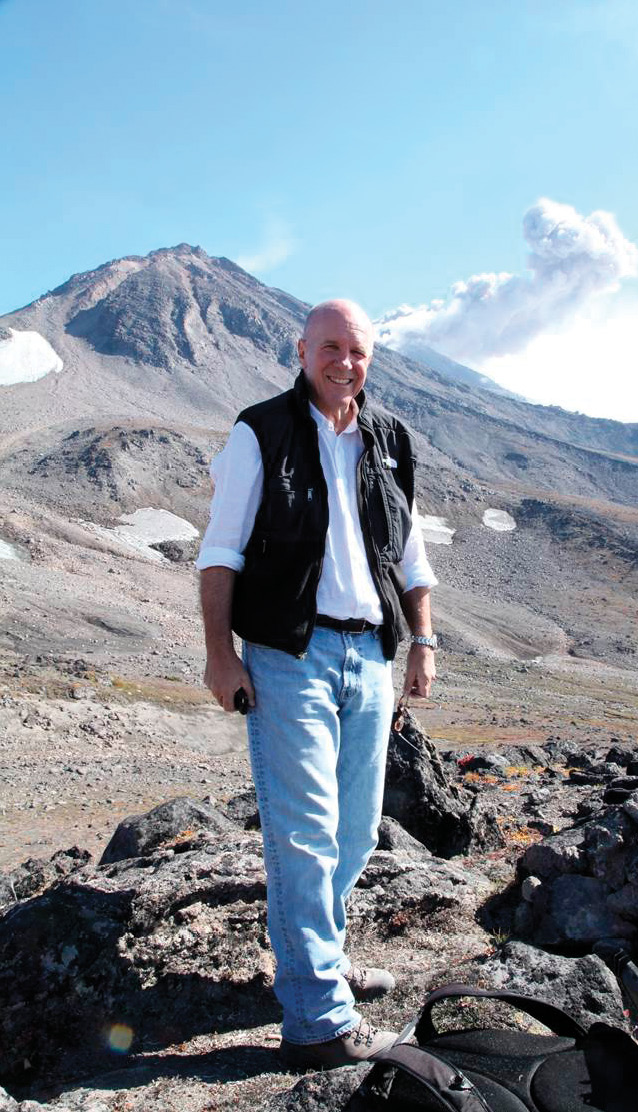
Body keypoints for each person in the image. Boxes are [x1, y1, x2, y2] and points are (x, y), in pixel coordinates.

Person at [196, 299, 438, 1068]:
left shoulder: (389, 439)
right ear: (301, 350)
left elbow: (411, 552)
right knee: (302, 835)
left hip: (368, 655)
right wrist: (220, 655)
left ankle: (316, 964)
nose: (345, 362)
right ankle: (316, 1024)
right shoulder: (259, 431)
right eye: (330, 347)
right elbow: (220, 552)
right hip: (286, 657)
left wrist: (422, 642)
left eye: (359, 350)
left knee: (354, 833)